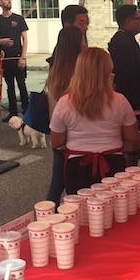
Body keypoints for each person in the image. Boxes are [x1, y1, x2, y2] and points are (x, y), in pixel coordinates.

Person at [50, 48, 140, 194]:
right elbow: (133, 137)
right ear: (107, 72)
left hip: (77, 166)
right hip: (113, 163)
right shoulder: (120, 101)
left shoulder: (65, 103)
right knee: (116, 211)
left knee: (81, 210)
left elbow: (56, 142)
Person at [45, 26, 84, 205]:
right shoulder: (79, 71)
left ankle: (48, 214)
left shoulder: (56, 68)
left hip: (57, 131)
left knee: (58, 180)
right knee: (70, 182)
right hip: (74, 134)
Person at [108, 4, 140, 166]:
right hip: (131, 108)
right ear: (128, 21)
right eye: (138, 18)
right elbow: (124, 78)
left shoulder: (126, 39)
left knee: (133, 153)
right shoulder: (122, 43)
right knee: (130, 153)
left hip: (133, 106)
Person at [0, 0, 28, 122]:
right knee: (10, 86)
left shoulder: (18, 19)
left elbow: (25, 39)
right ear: (0, 2)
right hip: (5, 59)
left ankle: (27, 111)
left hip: (18, 57)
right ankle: (13, 112)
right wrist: (2, 41)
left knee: (22, 85)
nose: (9, 1)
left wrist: (23, 57)